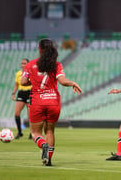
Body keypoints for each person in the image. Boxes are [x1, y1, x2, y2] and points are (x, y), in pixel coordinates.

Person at [21, 38, 82, 166]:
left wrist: (33, 80)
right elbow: (62, 81)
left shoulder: (30, 64)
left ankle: (43, 145)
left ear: (39, 49)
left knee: (35, 133)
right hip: (53, 101)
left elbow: (23, 82)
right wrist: (72, 83)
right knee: (50, 131)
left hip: (37, 101)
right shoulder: (57, 64)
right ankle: (48, 160)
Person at [12, 58, 32, 139]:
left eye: (24, 63)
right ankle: (20, 132)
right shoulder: (18, 74)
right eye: (22, 63)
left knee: (30, 115)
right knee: (16, 113)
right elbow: (16, 84)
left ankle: (32, 133)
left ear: (28, 64)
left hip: (30, 92)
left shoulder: (31, 73)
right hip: (21, 93)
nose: (22, 65)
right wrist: (13, 93)